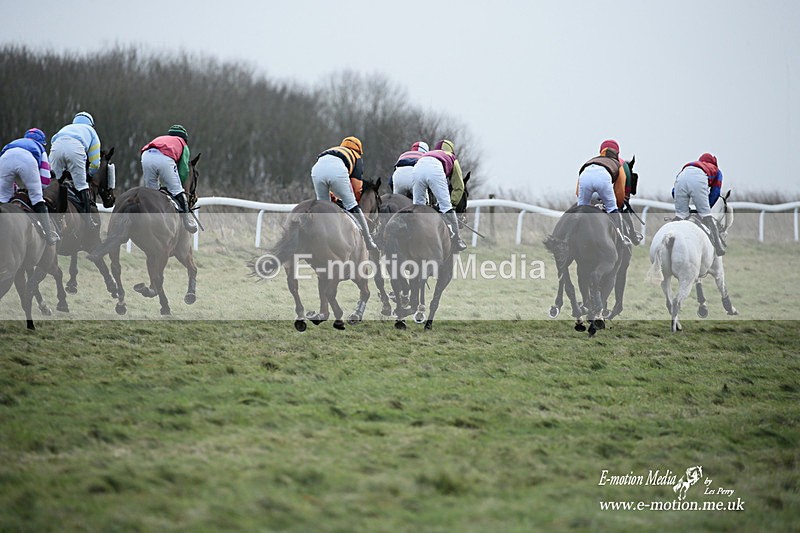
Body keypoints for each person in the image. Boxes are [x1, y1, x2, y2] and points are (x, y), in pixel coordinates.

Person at [312, 136, 378, 252]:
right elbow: (357, 187)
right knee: (352, 205)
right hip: (337, 170)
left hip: (316, 169)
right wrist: (355, 202)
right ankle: (368, 241)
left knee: (323, 207)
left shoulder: (334, 150)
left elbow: (327, 174)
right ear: (359, 150)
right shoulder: (356, 156)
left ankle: (319, 239)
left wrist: (334, 199)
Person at [0, 128, 59, 245]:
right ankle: (49, 236)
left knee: (2, 197)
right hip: (28, 160)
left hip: (5, 158)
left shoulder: (13, 143)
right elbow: (45, 180)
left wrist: (13, 189)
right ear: (42, 142)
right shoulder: (40, 148)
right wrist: (35, 189)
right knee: (37, 198)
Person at [576, 139, 638, 245]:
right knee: (613, 209)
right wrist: (617, 205)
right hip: (604, 183)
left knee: (581, 210)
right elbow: (620, 192)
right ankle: (622, 237)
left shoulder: (591, 161)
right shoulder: (621, 164)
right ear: (617, 153)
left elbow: (578, 191)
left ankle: (574, 236)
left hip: (585, 179)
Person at [140, 125, 198, 233]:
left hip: (146, 156)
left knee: (153, 194)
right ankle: (187, 222)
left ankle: (148, 222)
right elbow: (184, 170)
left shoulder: (161, 138)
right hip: (164, 158)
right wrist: (179, 184)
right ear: (185, 138)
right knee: (177, 190)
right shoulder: (183, 144)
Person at [412, 139, 467, 251]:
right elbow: (459, 186)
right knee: (446, 207)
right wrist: (453, 203)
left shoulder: (431, 153)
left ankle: (414, 235)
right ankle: (457, 239)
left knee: (418, 207)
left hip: (418, 166)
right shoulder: (452, 157)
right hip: (434, 169)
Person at [50, 111, 101, 226]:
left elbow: (53, 141)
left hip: (56, 148)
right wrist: (90, 175)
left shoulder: (66, 127)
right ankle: (89, 221)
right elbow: (96, 163)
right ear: (91, 124)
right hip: (75, 148)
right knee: (82, 185)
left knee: (53, 183)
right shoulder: (91, 131)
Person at [672, 152, 726, 255]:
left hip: (681, 177)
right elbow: (715, 193)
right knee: (707, 217)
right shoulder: (716, 171)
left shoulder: (691, 165)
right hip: (699, 179)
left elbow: (674, 191)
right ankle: (719, 248)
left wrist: (682, 208)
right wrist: (705, 208)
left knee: (680, 217)